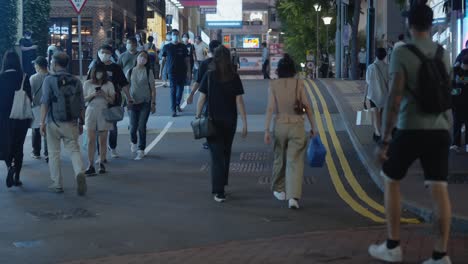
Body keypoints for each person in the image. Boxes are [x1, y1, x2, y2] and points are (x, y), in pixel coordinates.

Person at [371, 4, 453, 264]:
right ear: (430, 25)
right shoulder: (444, 53)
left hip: (410, 128)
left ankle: (393, 246)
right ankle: (440, 255)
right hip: (440, 129)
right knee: (439, 189)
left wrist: (384, 140)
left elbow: (394, 99)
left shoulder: (401, 53)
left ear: (410, 25)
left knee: (391, 179)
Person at [196, 45, 248, 202]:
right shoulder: (234, 76)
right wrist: (245, 122)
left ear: (215, 57)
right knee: (225, 153)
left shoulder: (210, 75)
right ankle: (222, 182)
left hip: (212, 121)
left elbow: (202, 98)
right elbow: (239, 101)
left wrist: (198, 115)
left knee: (216, 156)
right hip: (230, 121)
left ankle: (219, 191)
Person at [264, 54, 315, 209]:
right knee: (295, 161)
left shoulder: (273, 85)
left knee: (280, 157)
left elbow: (271, 108)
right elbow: (307, 106)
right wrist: (314, 127)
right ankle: (293, 197)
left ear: (278, 70)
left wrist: (266, 129)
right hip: (297, 126)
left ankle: (280, 190)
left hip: (280, 125)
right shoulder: (299, 83)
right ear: (293, 70)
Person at [39, 52, 87, 195]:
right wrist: (81, 122)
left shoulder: (49, 80)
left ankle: (57, 183)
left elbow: (45, 102)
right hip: (71, 122)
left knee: (54, 153)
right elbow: (81, 104)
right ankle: (79, 172)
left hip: (53, 122)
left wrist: (41, 122)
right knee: (74, 150)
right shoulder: (76, 80)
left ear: (54, 63)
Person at [89, 45, 130, 159]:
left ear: (111, 55)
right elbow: (88, 83)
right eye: (102, 52)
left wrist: (129, 98)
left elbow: (124, 83)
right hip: (97, 101)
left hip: (112, 101)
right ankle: (100, 154)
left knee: (112, 126)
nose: (104, 55)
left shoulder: (115, 68)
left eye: (107, 53)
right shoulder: (94, 66)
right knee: (98, 128)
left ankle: (113, 147)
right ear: (98, 52)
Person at [0, 50, 32, 188]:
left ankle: (9, 168)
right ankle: (17, 176)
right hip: (20, 118)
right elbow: (30, 98)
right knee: (18, 146)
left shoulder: (1, 78)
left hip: (3, 118)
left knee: (6, 143)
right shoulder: (24, 77)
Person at [187, 40, 222, 150]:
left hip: (207, 95)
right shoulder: (225, 63)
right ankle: (219, 140)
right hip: (223, 95)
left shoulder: (205, 64)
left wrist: (191, 94)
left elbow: (197, 81)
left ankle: (210, 141)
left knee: (209, 117)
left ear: (210, 50)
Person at [83, 64, 115, 176]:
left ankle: (101, 162)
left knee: (103, 140)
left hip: (104, 111)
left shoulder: (109, 84)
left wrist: (104, 95)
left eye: (101, 72)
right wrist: (93, 94)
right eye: (97, 72)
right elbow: (83, 99)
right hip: (91, 111)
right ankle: (90, 164)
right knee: (91, 139)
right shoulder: (87, 83)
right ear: (93, 72)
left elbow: (112, 100)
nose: (99, 74)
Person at [126, 51, 156, 160]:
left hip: (145, 102)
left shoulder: (148, 72)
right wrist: (128, 99)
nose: (142, 59)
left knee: (141, 126)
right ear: (136, 57)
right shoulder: (130, 71)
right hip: (133, 103)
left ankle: (141, 149)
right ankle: (133, 141)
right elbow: (126, 87)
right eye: (141, 56)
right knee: (133, 127)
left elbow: (153, 89)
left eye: (145, 58)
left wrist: (153, 103)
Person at [160, 29, 191, 117]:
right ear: (171, 36)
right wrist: (161, 71)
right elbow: (163, 60)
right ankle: (173, 109)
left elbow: (187, 60)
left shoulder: (183, 47)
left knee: (180, 90)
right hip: (171, 71)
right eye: (174, 34)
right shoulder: (166, 47)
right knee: (173, 90)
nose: (175, 36)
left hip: (182, 71)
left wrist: (189, 71)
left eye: (177, 34)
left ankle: (177, 103)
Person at [365, 48, 389, 143]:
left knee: (375, 115)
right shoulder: (388, 67)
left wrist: (364, 98)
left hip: (373, 95)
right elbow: (389, 81)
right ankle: (380, 132)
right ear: (385, 56)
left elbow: (367, 83)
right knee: (382, 115)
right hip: (384, 95)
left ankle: (377, 133)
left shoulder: (370, 67)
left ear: (376, 55)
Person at [30, 56, 49, 160]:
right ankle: (47, 153)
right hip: (50, 107)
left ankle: (36, 152)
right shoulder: (52, 76)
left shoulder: (33, 78)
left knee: (36, 130)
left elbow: (30, 93)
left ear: (38, 66)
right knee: (47, 130)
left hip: (37, 107)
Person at [450, 57, 468, 152]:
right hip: (457, 102)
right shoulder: (455, 71)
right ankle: (455, 143)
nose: (465, 67)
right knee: (457, 123)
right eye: (464, 65)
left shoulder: (455, 71)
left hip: (462, 101)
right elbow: (451, 86)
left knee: (464, 123)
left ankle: (465, 144)